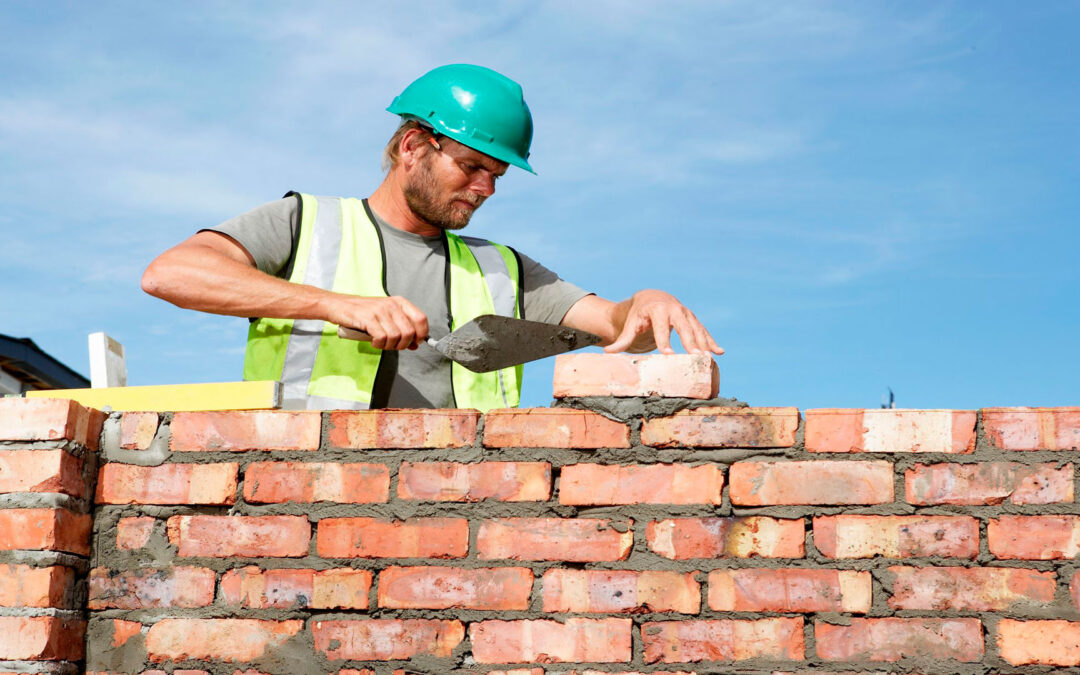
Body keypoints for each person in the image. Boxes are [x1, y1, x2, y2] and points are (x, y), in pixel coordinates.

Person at [141, 64, 722, 411]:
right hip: (300, 504)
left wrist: (647, 304)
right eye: (471, 166)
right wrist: (337, 305)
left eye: (496, 176)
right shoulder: (305, 222)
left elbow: (620, 328)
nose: (485, 189)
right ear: (414, 146)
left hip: (451, 528)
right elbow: (170, 275)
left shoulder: (503, 269)